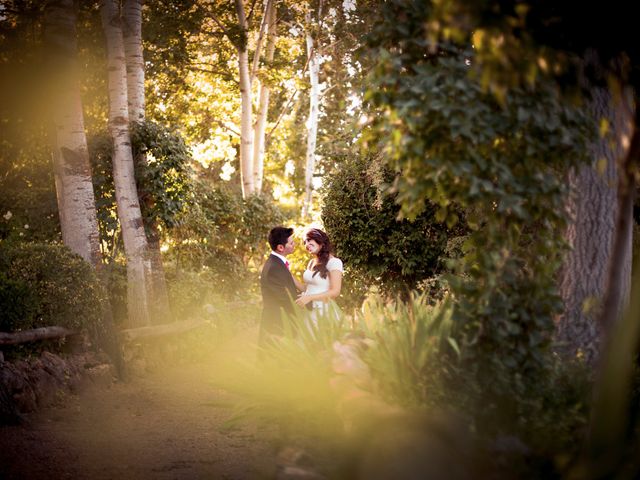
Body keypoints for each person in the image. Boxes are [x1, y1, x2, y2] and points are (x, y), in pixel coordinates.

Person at [259, 226, 299, 344]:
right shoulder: (274, 267)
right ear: (281, 247)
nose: (294, 244)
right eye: (291, 243)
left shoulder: (277, 263)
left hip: (279, 321)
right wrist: (307, 301)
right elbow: (285, 298)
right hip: (277, 323)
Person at [295, 228, 343, 320]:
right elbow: (307, 288)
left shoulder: (334, 262)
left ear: (320, 240)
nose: (306, 245)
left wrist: (310, 297)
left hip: (324, 311)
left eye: (309, 240)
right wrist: (288, 274)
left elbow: (335, 291)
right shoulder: (311, 262)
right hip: (309, 309)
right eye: (305, 242)